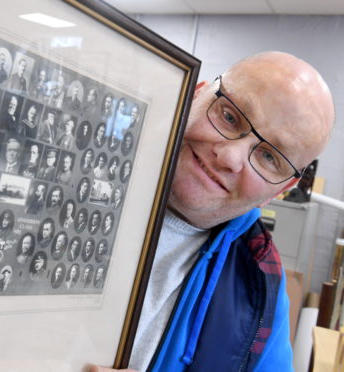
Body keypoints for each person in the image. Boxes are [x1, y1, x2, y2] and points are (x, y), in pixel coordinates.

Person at [89, 52, 335, 372]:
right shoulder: (79, 170)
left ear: (279, 190)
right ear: (195, 93)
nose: (230, 158)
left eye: (268, 157)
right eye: (230, 116)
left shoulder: (259, 287)